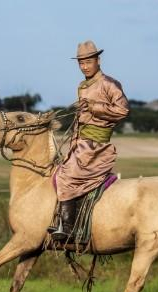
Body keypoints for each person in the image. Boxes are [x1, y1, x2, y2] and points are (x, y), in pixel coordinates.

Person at [51, 40, 130, 241]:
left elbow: (123, 110)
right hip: (81, 142)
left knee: (67, 175)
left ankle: (68, 228)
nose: (84, 66)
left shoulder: (110, 84)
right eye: (81, 63)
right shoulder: (83, 86)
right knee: (57, 170)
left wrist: (95, 108)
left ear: (98, 60)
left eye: (88, 62)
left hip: (97, 146)